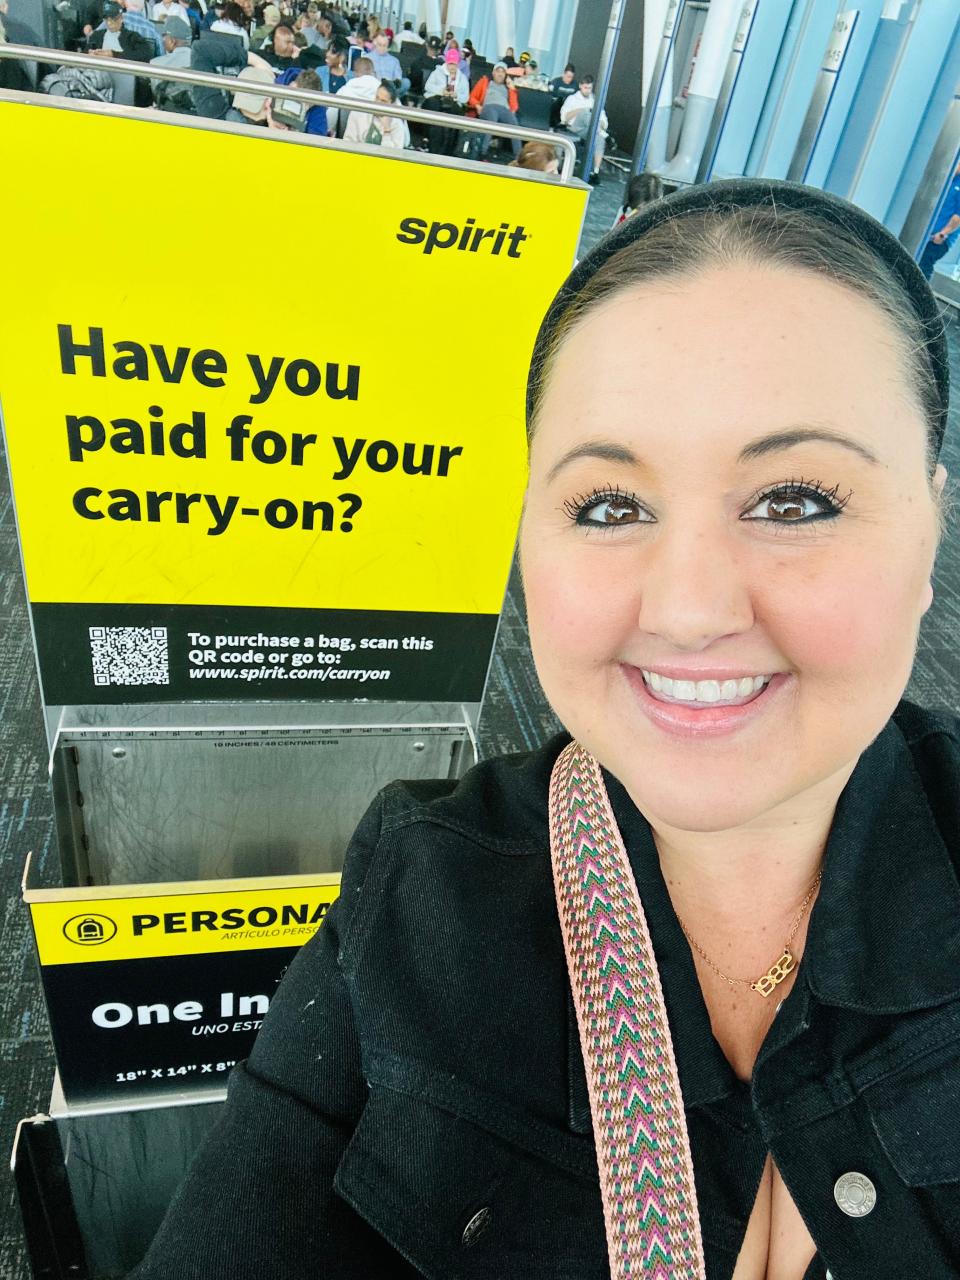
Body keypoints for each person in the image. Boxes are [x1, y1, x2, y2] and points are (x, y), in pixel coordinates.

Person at [128, 178, 959, 1280]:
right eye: (609, 505)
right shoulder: (425, 888)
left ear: (933, 521)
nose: (692, 609)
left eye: (795, 499)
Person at [467, 60, 520, 160]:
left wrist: (512, 89)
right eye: (498, 71)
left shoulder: (507, 88)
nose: (500, 74)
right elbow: (472, 97)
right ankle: (483, 152)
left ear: (505, 75)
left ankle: (518, 156)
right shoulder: (485, 81)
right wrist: (478, 106)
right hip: (489, 107)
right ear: (493, 72)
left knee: (514, 122)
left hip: (504, 109)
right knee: (492, 118)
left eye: (503, 72)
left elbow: (514, 108)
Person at [560, 73, 607, 181]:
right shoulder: (572, 99)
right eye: (586, 88)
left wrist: (600, 123)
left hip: (591, 129)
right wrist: (581, 109)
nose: (588, 90)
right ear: (581, 86)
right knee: (586, 112)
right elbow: (564, 118)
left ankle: (595, 172)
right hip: (575, 127)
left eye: (590, 88)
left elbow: (604, 119)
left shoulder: (595, 100)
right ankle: (603, 134)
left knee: (599, 138)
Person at [422, 47, 468, 155]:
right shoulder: (437, 72)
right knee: (434, 108)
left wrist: (456, 95)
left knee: (455, 113)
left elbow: (465, 97)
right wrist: (441, 91)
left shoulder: (462, 78)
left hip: (453, 102)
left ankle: (449, 148)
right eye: (450, 64)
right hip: (437, 99)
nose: (452, 67)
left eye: (454, 64)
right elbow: (428, 86)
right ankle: (429, 141)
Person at [919, 163, 960, 281]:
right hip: (926, 233)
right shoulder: (948, 180)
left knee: (924, 264)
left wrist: (943, 234)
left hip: (940, 239)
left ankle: (921, 296)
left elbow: (958, 217)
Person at [342, 78, 407, 148]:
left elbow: (392, 156)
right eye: (377, 98)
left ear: (392, 104)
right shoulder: (358, 113)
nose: (377, 103)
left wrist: (387, 130)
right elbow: (347, 143)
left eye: (383, 101)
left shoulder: (397, 125)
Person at [325, 52, 377, 134]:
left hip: (345, 138)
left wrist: (330, 131)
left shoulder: (345, 90)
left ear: (355, 73)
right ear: (373, 72)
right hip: (373, 140)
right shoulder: (382, 91)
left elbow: (331, 114)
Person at [149, 13, 192, 109]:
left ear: (172, 41)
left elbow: (156, 100)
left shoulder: (156, 64)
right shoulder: (202, 62)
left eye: (164, 36)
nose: (162, 39)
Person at [87, 0, 154, 60]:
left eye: (113, 19)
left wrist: (114, 54)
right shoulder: (96, 36)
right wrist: (91, 54)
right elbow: (85, 52)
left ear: (121, 18)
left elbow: (146, 54)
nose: (109, 23)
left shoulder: (132, 37)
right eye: (106, 19)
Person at [366, 29, 406, 96]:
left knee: (406, 82)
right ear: (375, 43)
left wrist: (392, 83)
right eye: (380, 45)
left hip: (390, 89)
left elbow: (398, 80)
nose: (382, 48)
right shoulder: (367, 58)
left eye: (384, 45)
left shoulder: (394, 61)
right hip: (372, 88)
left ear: (388, 46)